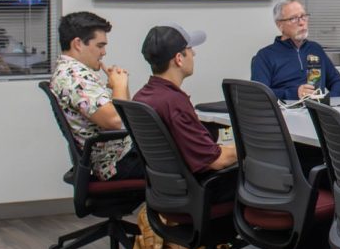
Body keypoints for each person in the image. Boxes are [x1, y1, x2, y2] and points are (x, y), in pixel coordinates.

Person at [49, 11, 142, 179]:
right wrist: (119, 85)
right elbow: (115, 121)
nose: (104, 52)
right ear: (78, 43)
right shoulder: (75, 77)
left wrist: (119, 87)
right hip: (117, 163)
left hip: (121, 154)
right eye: (100, 45)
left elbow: (122, 115)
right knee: (182, 158)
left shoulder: (74, 73)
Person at [134, 24, 237, 174]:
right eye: (190, 50)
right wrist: (251, 147)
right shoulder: (174, 102)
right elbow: (217, 161)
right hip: (205, 187)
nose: (194, 54)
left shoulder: (143, 95)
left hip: (167, 185)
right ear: (179, 59)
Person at [251, 0, 340, 101]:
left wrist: (327, 100)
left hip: (317, 111)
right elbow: (259, 94)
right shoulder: (265, 56)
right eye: (293, 18)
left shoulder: (315, 49)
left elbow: (339, 83)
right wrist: (294, 93)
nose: (302, 23)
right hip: (286, 112)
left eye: (303, 16)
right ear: (280, 25)